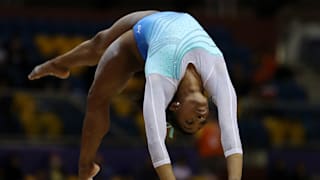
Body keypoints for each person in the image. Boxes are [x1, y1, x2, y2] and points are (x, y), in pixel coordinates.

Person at [28, 10, 243, 180]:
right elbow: (230, 131)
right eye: (201, 121)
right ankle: (56, 64)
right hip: (154, 20)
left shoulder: (162, 80)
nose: (201, 117)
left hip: (135, 47)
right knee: (99, 44)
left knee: (96, 96)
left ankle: (85, 167)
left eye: (190, 122)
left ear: (175, 106)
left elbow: (156, 141)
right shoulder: (216, 72)